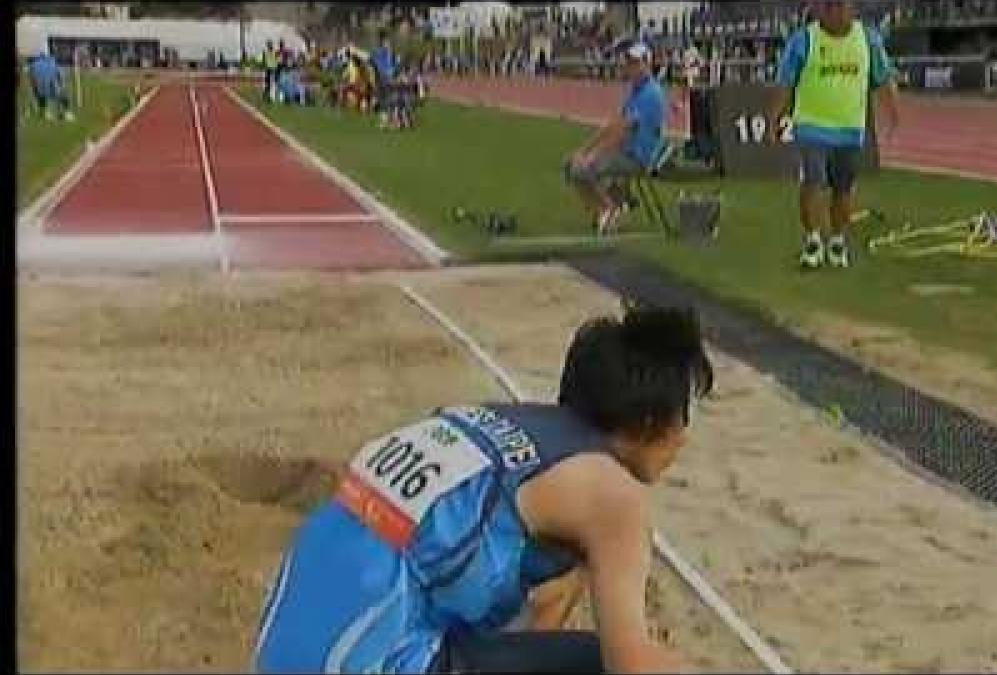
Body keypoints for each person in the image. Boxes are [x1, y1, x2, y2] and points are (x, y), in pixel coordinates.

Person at [253, 304, 712, 673]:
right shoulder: (612, 496)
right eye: (683, 418)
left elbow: (543, 611)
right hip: (369, 655)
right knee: (594, 663)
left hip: (287, 643)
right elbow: (630, 663)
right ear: (653, 421)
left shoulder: (493, 426)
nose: (684, 438)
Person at [769, 0, 900, 269]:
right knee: (813, 183)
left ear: (852, 8)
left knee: (843, 189)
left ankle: (837, 241)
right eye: (828, 6)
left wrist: (892, 111)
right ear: (818, 9)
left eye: (840, 5)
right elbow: (785, 82)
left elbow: (882, 77)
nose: (834, 12)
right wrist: (776, 117)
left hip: (850, 130)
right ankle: (813, 240)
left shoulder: (868, 39)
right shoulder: (803, 40)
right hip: (811, 126)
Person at [564, 40, 666, 235]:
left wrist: (592, 156)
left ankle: (610, 209)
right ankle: (610, 207)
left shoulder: (651, 93)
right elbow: (614, 125)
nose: (630, 68)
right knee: (572, 165)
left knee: (581, 169)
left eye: (635, 63)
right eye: (628, 63)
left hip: (637, 158)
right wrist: (585, 149)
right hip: (625, 152)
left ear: (647, 63)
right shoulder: (636, 93)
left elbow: (624, 131)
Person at [28, 50, 73, 122]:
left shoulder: (34, 64)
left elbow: (31, 77)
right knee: (62, 96)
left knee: (41, 96)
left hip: (41, 86)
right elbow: (60, 75)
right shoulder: (53, 63)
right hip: (50, 84)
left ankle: (45, 113)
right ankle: (66, 113)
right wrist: (62, 85)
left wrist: (33, 86)